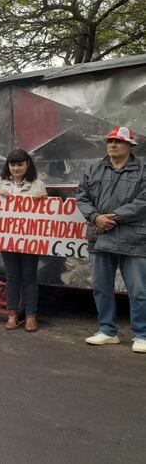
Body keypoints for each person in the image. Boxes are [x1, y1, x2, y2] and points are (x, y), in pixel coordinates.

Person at [76, 126, 146, 353]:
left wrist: (112, 218)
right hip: (100, 236)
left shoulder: (143, 170)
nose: (113, 145)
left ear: (130, 146)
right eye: (110, 141)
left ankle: (142, 335)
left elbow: (143, 202)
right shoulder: (93, 169)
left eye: (119, 141)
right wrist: (96, 217)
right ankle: (107, 331)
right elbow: (82, 196)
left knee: (138, 290)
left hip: (133, 238)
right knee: (101, 288)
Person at [0, 149, 47, 332]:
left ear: (27, 164)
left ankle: (31, 316)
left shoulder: (38, 184)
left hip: (31, 239)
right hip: (7, 238)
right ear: (8, 166)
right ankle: (12, 314)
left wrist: (42, 198)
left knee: (30, 276)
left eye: (19, 164)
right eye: (12, 164)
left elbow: (45, 213)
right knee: (12, 276)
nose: (16, 168)